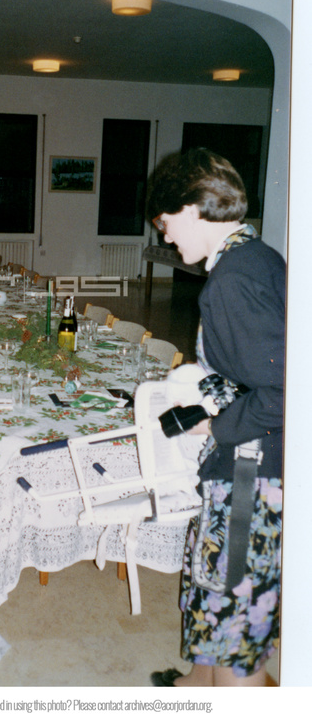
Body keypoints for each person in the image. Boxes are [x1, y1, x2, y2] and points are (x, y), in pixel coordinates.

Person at [146, 148, 285, 687]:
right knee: (215, 586)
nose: (165, 238)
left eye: (165, 223)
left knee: (235, 617)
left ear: (191, 208)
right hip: (257, 462)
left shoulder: (232, 279)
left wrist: (217, 425)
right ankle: (192, 687)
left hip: (253, 473)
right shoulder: (257, 257)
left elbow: (287, 388)